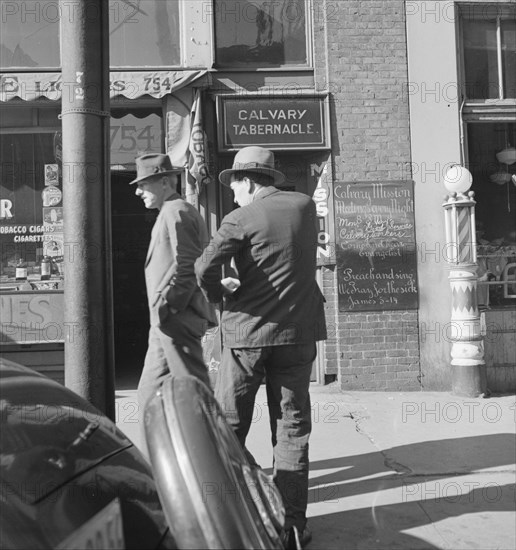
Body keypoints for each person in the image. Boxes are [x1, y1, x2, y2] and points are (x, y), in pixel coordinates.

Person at [195, 146, 327, 547]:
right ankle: (290, 530)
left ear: (250, 181)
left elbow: (204, 266)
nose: (232, 191)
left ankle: (239, 517)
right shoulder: (305, 207)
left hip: (248, 335)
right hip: (298, 333)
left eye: (234, 182)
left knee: (230, 428)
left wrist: (222, 293)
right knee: (291, 428)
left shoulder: (241, 217)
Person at [129, 153, 217, 417]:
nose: (138, 192)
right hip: (167, 320)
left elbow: (188, 264)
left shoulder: (176, 211)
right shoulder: (172, 211)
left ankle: (223, 452)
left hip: (175, 318)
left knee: (195, 393)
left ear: (165, 182)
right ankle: (162, 455)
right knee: (150, 393)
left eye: (143, 184)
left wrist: (169, 307)